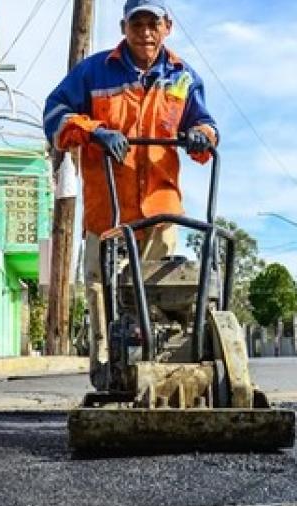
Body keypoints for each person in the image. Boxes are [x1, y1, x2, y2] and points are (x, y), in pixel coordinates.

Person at [43, 0, 218, 390]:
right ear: (124, 27)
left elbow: (206, 126)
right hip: (109, 212)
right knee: (102, 292)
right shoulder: (93, 72)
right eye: (137, 23)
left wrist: (198, 138)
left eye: (152, 23)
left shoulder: (182, 77)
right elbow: (55, 113)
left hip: (161, 209)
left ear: (167, 26)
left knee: (161, 293)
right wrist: (94, 132)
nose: (145, 32)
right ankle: (108, 373)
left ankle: (164, 374)